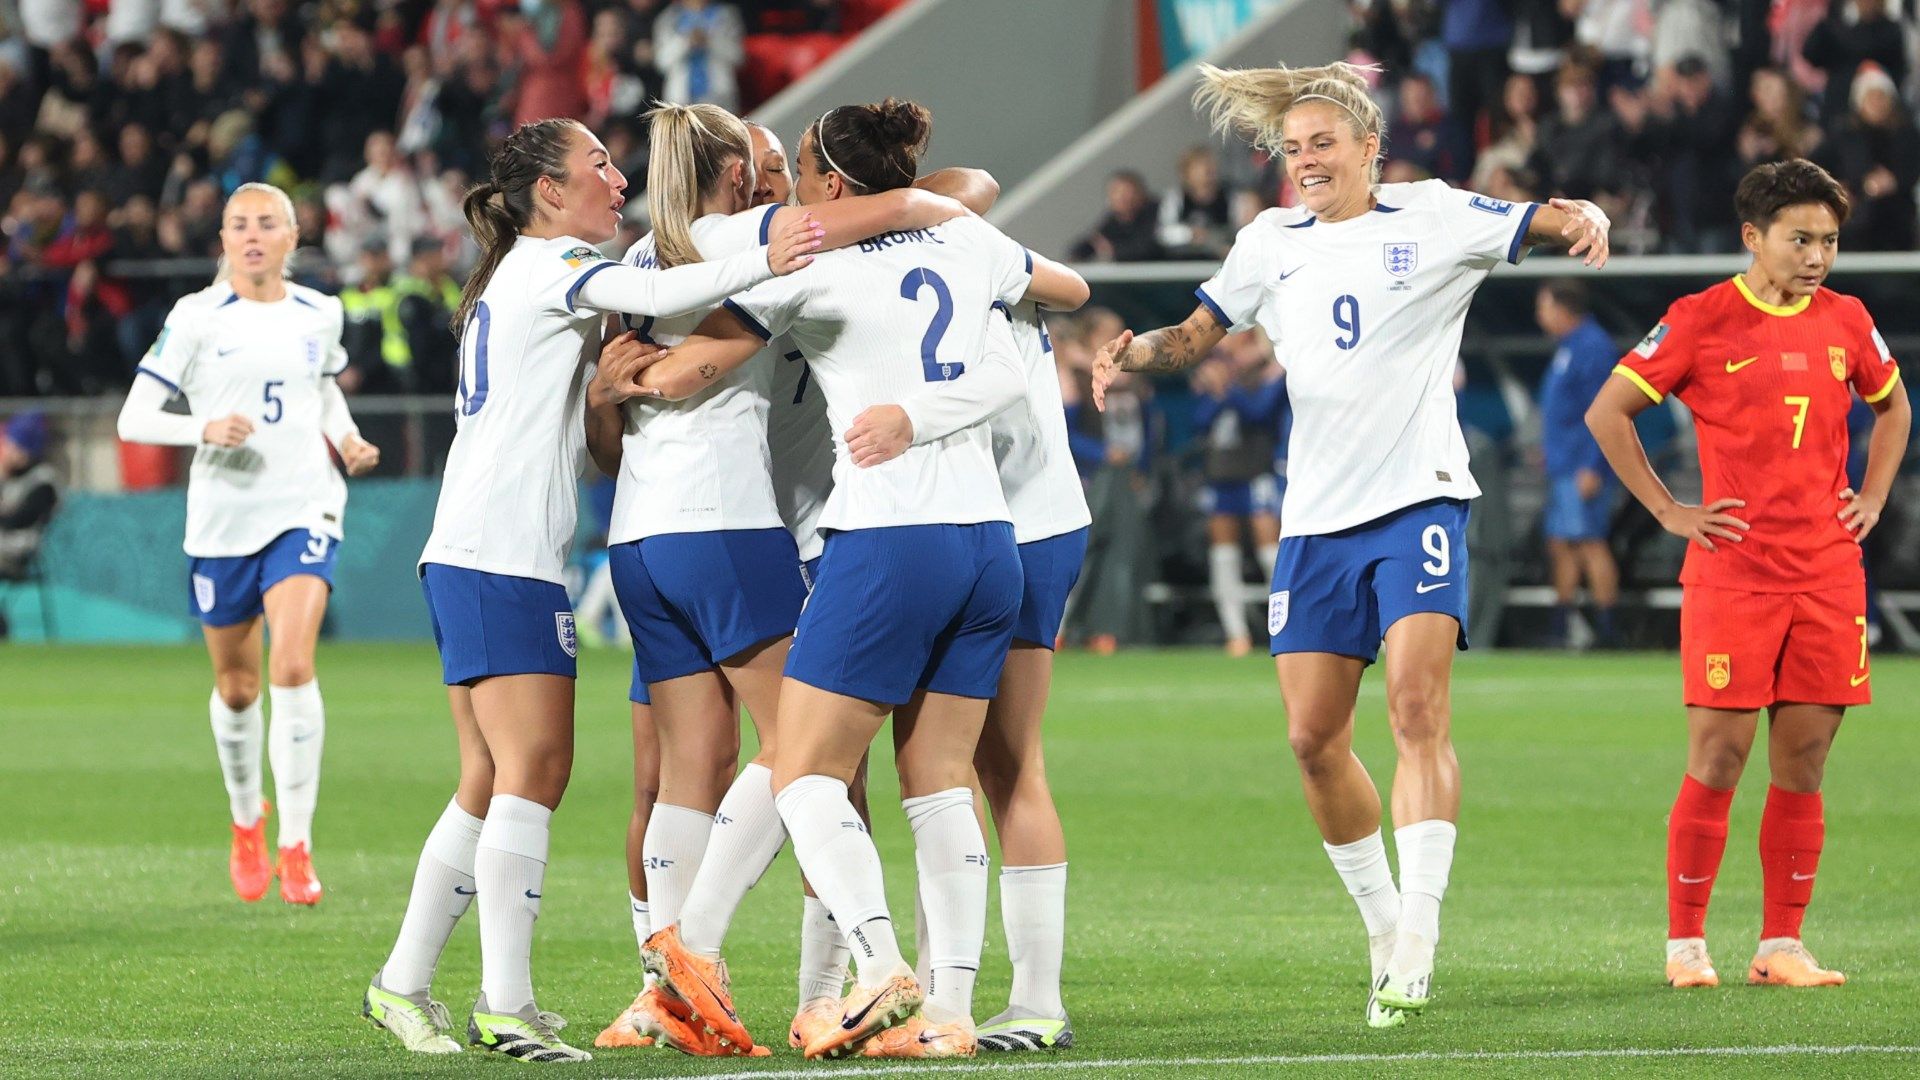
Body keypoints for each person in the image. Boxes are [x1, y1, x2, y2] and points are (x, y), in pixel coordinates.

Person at [1089, 60, 1611, 1028]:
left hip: (1420, 500)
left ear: (1372, 147)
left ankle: (1417, 939)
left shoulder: (1432, 216)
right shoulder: (1270, 240)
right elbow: (1199, 333)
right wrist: (1136, 355)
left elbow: (1530, 216)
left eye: (1323, 143)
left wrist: (1579, 213)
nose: (1306, 161)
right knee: (1312, 738)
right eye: (1293, 150)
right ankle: (1380, 927)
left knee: (1417, 707)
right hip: (1316, 520)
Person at [623, 97, 1088, 1060]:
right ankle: (950, 1018)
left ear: (831, 184)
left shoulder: (812, 269)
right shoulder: (964, 240)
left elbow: (693, 362)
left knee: (799, 769)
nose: (787, 184)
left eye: (797, 167)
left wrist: (629, 376)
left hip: (888, 540)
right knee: (940, 781)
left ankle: (872, 967)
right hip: (988, 541)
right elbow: (1012, 360)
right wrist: (925, 413)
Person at [359, 116, 819, 1062]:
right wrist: (778, 244)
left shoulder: (512, 278)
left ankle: (403, 984)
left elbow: (561, 415)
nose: (617, 178)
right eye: (598, 164)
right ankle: (506, 1005)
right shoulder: (558, 260)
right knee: (536, 772)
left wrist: (604, 397)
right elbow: (668, 288)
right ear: (548, 193)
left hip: (475, 547)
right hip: (500, 554)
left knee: (491, 778)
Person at [1585, 158, 1908, 992]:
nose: (1816, 258)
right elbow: (1608, 412)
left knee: (1803, 760)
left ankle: (1781, 945)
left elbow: (1895, 406)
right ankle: (1686, 946)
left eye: (1829, 242)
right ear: (1752, 237)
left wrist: (1871, 495)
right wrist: (1669, 512)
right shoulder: (1701, 319)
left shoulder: (1847, 320)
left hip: (1829, 574)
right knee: (1720, 756)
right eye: (1800, 239)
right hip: (1735, 573)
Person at [114, 183, 381, 909]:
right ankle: (246, 820)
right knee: (237, 687)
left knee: (292, 663)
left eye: (268, 224)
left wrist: (346, 437)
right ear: (223, 239)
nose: (253, 235)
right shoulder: (196, 317)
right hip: (223, 519)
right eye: (240, 225)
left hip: (303, 506)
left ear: (293, 237)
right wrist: (200, 428)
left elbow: (322, 391)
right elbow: (135, 417)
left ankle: (296, 843)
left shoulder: (319, 312)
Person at [855, 295, 1094, 1053]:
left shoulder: (965, 253)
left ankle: (1036, 1000)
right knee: (932, 768)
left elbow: (968, 192)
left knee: (1007, 762)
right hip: (966, 523)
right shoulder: (975, 260)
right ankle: (941, 989)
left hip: (1025, 523)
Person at [1533, 279, 1621, 648]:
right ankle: (1561, 625)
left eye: (1544, 306)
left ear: (1562, 308)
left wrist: (1592, 465)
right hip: (1562, 463)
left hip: (1581, 466)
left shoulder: (1593, 347)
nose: (1540, 315)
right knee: (1560, 543)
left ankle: (1609, 629)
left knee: (1589, 543)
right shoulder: (1567, 347)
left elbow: (1603, 409)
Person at [1191, 337, 1286, 656]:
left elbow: (1259, 414)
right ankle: (1236, 634)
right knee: (1223, 555)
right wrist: (1216, 390)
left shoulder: (1269, 374)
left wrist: (1226, 388)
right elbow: (1200, 422)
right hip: (1222, 476)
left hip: (1256, 472)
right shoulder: (1213, 377)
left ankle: (1285, 627)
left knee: (1270, 553)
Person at [0, 411, 58, 638]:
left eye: (11, 443)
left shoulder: (43, 480)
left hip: (19, 552)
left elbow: (18, 520)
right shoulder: (6, 476)